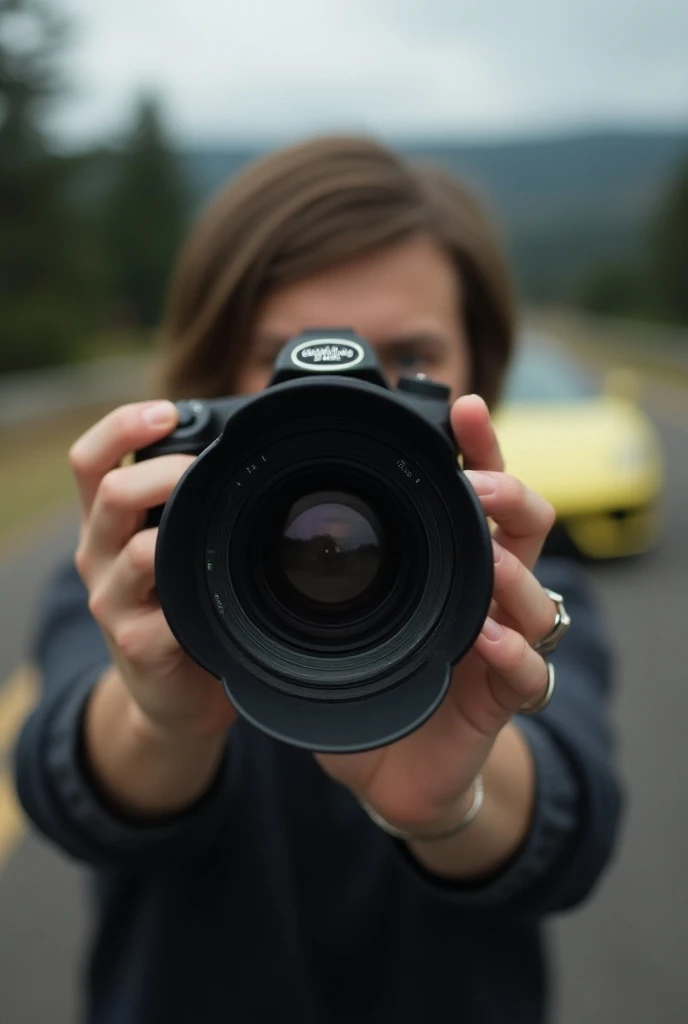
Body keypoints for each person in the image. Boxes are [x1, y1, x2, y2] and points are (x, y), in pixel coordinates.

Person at [15, 135, 622, 1024]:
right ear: (210, 384)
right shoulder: (145, 579)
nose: (358, 396)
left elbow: (572, 819)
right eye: (282, 355)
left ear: (480, 377)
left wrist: (450, 803)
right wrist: (161, 721)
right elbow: (65, 781)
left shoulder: (524, 582)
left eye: (407, 358)